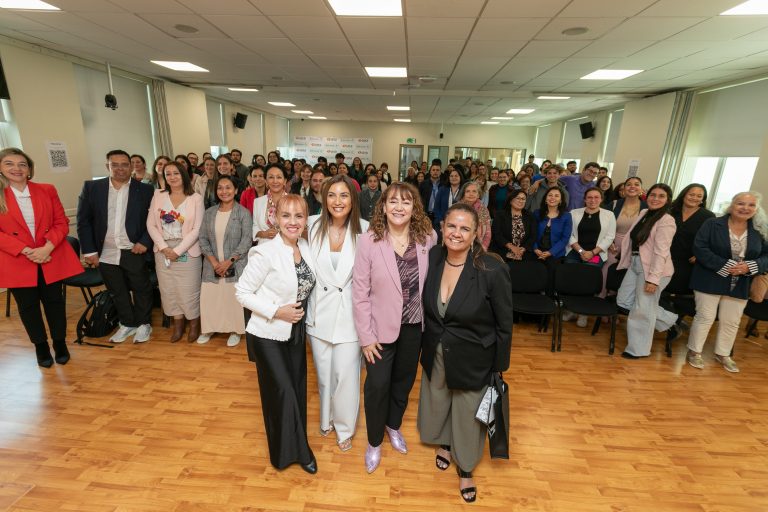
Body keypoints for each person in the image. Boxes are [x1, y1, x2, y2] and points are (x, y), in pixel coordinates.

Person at [418, 202, 513, 503]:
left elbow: (504, 324)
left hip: (475, 356)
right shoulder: (434, 257)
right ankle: (445, 443)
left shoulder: (492, 269)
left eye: (464, 228)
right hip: (437, 349)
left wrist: (497, 367)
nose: (456, 233)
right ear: (442, 228)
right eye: (451, 226)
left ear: (476, 234)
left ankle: (466, 468)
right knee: (441, 399)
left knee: (469, 413)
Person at [352, 182, 436, 474]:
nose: (399, 208)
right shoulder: (369, 241)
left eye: (406, 202)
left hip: (415, 327)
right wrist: (365, 337)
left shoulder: (428, 238)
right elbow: (359, 292)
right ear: (383, 207)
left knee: (403, 382)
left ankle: (393, 426)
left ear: (415, 208)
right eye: (393, 202)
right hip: (378, 331)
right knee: (376, 386)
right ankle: (374, 441)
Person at [235, 194, 318, 474]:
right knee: (281, 392)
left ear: (306, 220)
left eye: (298, 216)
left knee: (296, 389)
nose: (292, 222)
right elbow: (242, 292)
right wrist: (275, 311)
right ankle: (294, 453)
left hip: (295, 333)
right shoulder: (264, 252)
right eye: (286, 216)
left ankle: (294, 446)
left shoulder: (306, 247)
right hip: (267, 333)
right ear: (275, 219)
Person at [0, 147, 83, 367]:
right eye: (9, 163)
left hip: (49, 256)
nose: (16, 169)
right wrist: (26, 251)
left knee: (55, 303)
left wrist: (46, 248)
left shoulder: (46, 189)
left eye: (22, 164)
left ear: (29, 169)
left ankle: (59, 343)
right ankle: (41, 347)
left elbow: (61, 222)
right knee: (28, 308)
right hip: (17, 260)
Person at [306, 175, 368, 452]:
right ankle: (325, 419)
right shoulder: (310, 225)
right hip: (319, 313)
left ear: (353, 200)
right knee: (323, 375)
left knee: (346, 375)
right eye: (332, 195)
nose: (338, 201)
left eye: (344, 195)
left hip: (351, 316)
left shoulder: (366, 230)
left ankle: (344, 428)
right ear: (323, 197)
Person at [77, 150, 154, 343]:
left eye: (124, 164)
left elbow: (152, 220)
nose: (120, 168)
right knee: (116, 289)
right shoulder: (92, 188)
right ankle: (127, 324)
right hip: (105, 251)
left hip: (133, 248)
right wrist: (90, 251)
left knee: (141, 287)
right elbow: (83, 221)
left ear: (131, 166)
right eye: (115, 165)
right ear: (107, 166)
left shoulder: (144, 190)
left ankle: (144, 324)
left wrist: (145, 241)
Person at [685, 192, 768, 373]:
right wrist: (727, 265)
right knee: (705, 318)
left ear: (756, 209)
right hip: (709, 278)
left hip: (742, 282)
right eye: (740, 203)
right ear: (731, 205)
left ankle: (723, 354)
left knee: (732, 321)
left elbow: (766, 256)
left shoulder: (760, 229)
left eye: (751, 205)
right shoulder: (712, 223)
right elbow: (699, 247)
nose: (745, 208)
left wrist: (751, 266)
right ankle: (694, 351)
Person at [616, 184, 679, 359]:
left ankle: (638, 350)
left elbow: (661, 252)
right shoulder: (645, 213)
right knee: (624, 300)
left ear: (668, 200)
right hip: (636, 264)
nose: (655, 198)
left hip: (653, 269)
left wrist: (653, 279)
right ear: (647, 196)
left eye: (661, 196)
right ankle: (670, 321)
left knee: (642, 309)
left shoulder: (667, 220)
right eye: (653, 195)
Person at [146, 162, 204, 343]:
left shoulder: (195, 198)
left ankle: (194, 324)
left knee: (189, 290)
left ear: (184, 175)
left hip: (187, 250)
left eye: (176, 173)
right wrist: (164, 247)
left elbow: (197, 229)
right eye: (168, 173)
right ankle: (178, 324)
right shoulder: (158, 195)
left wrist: (177, 250)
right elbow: (151, 224)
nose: (172, 177)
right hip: (162, 250)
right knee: (169, 289)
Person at [197, 175, 253, 347]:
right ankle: (209, 328)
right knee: (210, 298)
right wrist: (214, 263)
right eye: (220, 188)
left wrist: (229, 261)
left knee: (232, 299)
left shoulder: (243, 213)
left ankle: (235, 330)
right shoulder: (209, 213)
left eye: (228, 187)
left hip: (235, 264)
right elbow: (203, 239)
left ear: (236, 190)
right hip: (211, 265)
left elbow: (246, 241)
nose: (224, 191)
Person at [563, 188, 617, 327]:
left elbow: (610, 237)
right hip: (574, 253)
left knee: (587, 285)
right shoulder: (574, 213)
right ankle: (571, 310)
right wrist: (581, 251)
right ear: (585, 199)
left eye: (596, 197)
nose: (593, 200)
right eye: (590, 197)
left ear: (601, 199)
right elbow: (569, 234)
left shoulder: (609, 215)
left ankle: (583, 314)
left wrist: (592, 252)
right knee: (572, 283)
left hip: (596, 254)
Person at [667, 184, 715, 294]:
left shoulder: (708, 216)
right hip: (665, 256)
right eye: (691, 194)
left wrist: (700, 255)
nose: (694, 198)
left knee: (678, 291)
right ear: (684, 195)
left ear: (703, 200)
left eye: (699, 196)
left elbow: (713, 240)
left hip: (688, 261)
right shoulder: (671, 210)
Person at [603, 177, 646, 296]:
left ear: (641, 189)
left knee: (624, 279)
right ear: (624, 189)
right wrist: (608, 242)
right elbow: (602, 225)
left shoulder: (647, 208)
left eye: (636, 184)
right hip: (612, 246)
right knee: (606, 274)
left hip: (634, 248)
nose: (632, 186)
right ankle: (600, 302)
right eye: (629, 184)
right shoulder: (614, 204)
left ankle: (615, 306)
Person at [533, 187, 572, 294]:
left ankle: (549, 304)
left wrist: (550, 252)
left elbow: (565, 238)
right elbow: (531, 234)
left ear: (561, 200)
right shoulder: (537, 213)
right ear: (545, 198)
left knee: (550, 283)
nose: (552, 198)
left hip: (555, 255)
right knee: (535, 281)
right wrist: (535, 248)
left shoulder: (567, 216)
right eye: (550, 195)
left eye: (556, 196)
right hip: (536, 253)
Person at [491, 189, 537, 262]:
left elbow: (533, 235)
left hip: (524, 253)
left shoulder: (530, 216)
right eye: (518, 198)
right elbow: (497, 234)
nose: (521, 201)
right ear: (510, 200)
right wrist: (511, 247)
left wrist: (523, 249)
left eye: (523, 199)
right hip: (502, 252)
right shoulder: (500, 215)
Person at [530, 161, 598, 211]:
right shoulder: (570, 179)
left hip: (579, 216)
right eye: (590, 171)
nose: (591, 174)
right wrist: (538, 182)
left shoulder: (594, 188)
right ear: (583, 170)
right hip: (563, 214)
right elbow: (553, 178)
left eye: (595, 173)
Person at [252, 164, 288, 245]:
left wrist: (282, 232)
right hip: (264, 248)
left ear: (285, 181)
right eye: (271, 177)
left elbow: (300, 227)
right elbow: (255, 226)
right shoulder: (258, 202)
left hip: (287, 246)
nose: (275, 181)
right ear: (266, 181)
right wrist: (263, 234)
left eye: (279, 177)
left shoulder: (294, 202)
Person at [457, 181, 491, 250]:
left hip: (478, 245)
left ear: (478, 195)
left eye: (474, 191)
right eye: (468, 191)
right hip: (458, 242)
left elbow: (488, 233)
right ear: (463, 194)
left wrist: (483, 248)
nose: (471, 194)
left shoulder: (483, 210)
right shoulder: (456, 208)